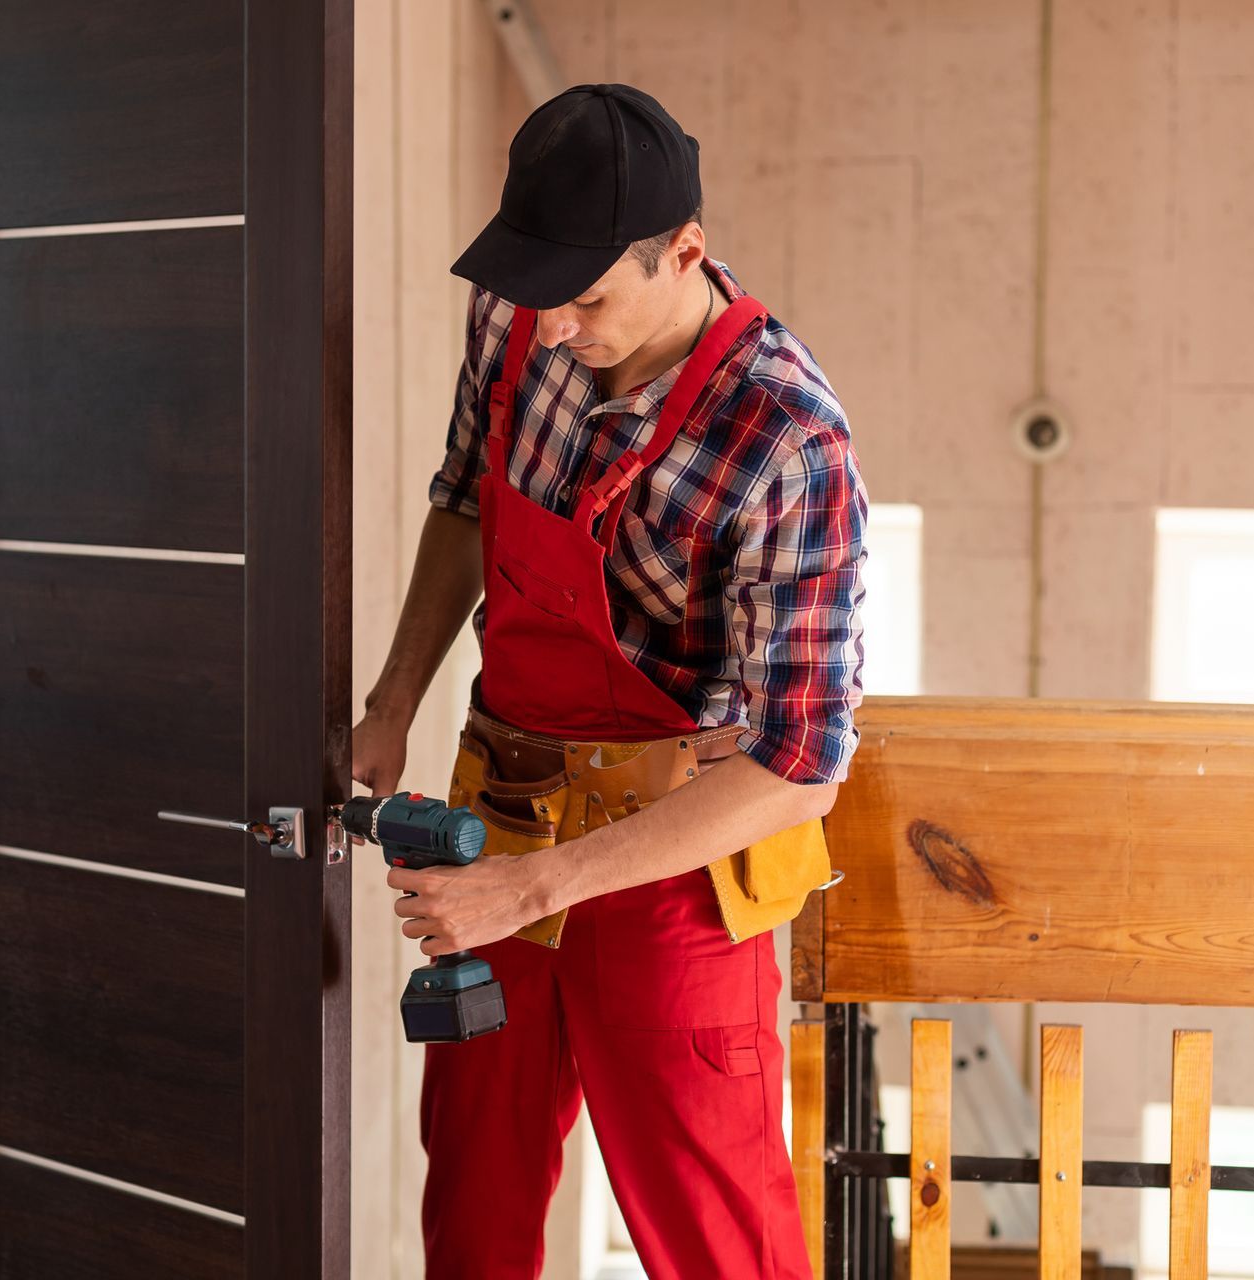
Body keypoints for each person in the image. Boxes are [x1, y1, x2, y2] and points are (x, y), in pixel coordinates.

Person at [352, 82, 868, 1280]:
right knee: (471, 1209)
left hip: (674, 868)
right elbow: (466, 498)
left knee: (719, 1242)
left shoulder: (789, 440)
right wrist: (391, 703)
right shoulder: (521, 302)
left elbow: (799, 766)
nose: (555, 326)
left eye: (587, 299)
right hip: (502, 806)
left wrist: (535, 887)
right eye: (540, 291)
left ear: (683, 251)